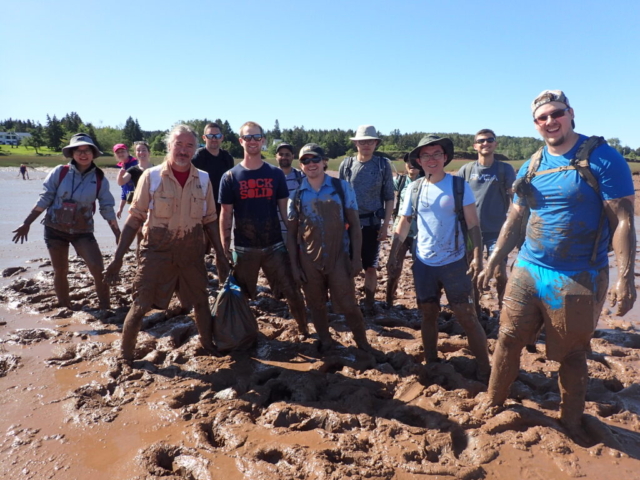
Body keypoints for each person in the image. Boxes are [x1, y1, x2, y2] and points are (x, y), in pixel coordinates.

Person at [477, 90, 636, 441]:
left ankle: (572, 420)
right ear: (535, 124)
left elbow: (624, 221)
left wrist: (626, 278)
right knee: (507, 339)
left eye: (556, 114)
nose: (550, 121)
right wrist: (495, 257)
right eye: (542, 117)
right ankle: (494, 399)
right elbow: (516, 216)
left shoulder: (603, 158)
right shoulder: (532, 164)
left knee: (572, 355)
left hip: (578, 275)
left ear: (570, 113)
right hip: (528, 268)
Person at [104, 124, 226, 363]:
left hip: (191, 251)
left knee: (201, 301)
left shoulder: (203, 179)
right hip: (156, 251)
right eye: (178, 144)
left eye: (189, 145)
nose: (183, 150)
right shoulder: (152, 176)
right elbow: (135, 218)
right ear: (169, 146)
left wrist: (221, 255)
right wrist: (117, 258)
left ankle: (207, 343)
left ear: (195, 149)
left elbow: (210, 220)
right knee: (140, 305)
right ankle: (126, 355)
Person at [388, 135, 490, 381]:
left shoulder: (458, 186)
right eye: (426, 155)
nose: (431, 159)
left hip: (455, 262)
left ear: (445, 158)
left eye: (436, 154)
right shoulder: (414, 188)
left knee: (466, 315)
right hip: (423, 263)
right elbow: (403, 223)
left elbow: (473, 224)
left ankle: (485, 367)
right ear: (419, 161)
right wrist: (393, 256)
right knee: (428, 313)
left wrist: (477, 256)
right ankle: (432, 360)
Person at [287, 143, 380, 356]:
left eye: (315, 159)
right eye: (305, 161)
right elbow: (291, 234)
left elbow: (355, 226)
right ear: (301, 165)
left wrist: (356, 258)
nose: (311, 164)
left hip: (339, 257)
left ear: (324, 162)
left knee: (349, 305)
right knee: (316, 305)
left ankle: (362, 342)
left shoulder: (341, 188)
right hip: (309, 260)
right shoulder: (297, 195)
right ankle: (326, 340)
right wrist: (294, 266)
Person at [218, 121, 308, 336]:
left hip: (274, 246)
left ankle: (305, 329)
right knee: (239, 294)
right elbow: (226, 214)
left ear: (263, 141)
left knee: (292, 290)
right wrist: (224, 246)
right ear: (241, 141)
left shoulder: (275, 174)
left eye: (256, 137)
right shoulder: (230, 176)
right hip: (243, 248)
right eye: (247, 137)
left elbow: (285, 212)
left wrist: (296, 238)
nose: (252, 141)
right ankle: (240, 333)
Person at [12, 133, 120, 310]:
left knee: (97, 268)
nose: (83, 154)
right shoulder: (59, 172)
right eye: (78, 150)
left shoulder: (99, 178)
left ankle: (105, 307)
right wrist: (27, 223)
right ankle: (64, 306)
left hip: (83, 231)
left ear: (93, 153)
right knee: (60, 270)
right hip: (54, 229)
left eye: (87, 150)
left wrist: (117, 233)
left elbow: (106, 207)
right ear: (72, 153)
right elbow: (45, 198)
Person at [457, 129, 515, 314]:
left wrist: (519, 228)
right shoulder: (466, 170)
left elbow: (515, 200)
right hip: (470, 231)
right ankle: (475, 308)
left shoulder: (504, 169)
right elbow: (454, 198)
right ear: (475, 145)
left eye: (490, 140)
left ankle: (502, 309)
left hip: (497, 232)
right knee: (472, 270)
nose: (485, 143)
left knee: (499, 273)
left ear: (495, 144)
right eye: (481, 141)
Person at [339, 125, 394, 314]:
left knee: (371, 267)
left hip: (373, 225)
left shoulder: (382, 165)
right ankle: (350, 302)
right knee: (348, 267)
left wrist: (386, 226)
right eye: (362, 141)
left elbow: (389, 197)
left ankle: (369, 303)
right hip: (349, 224)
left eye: (370, 141)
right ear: (356, 144)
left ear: (376, 143)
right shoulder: (346, 165)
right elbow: (340, 197)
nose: (366, 145)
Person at [386, 153, 421, 308]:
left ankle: (423, 302)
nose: (411, 164)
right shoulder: (399, 181)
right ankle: (389, 299)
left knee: (421, 270)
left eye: (414, 162)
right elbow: (382, 188)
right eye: (408, 162)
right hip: (400, 232)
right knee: (394, 266)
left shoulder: (427, 182)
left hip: (420, 235)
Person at [275, 142, 304, 240]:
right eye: (281, 154)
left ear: (293, 156)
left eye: (287, 154)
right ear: (276, 157)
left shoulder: (301, 177)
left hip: (297, 231)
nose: (284, 157)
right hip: (275, 232)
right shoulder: (269, 178)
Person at [114, 143, 138, 219]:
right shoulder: (122, 166)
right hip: (132, 200)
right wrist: (120, 208)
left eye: (122, 151)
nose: (120, 154)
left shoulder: (136, 164)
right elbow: (124, 188)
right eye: (118, 152)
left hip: (141, 200)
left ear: (127, 152)